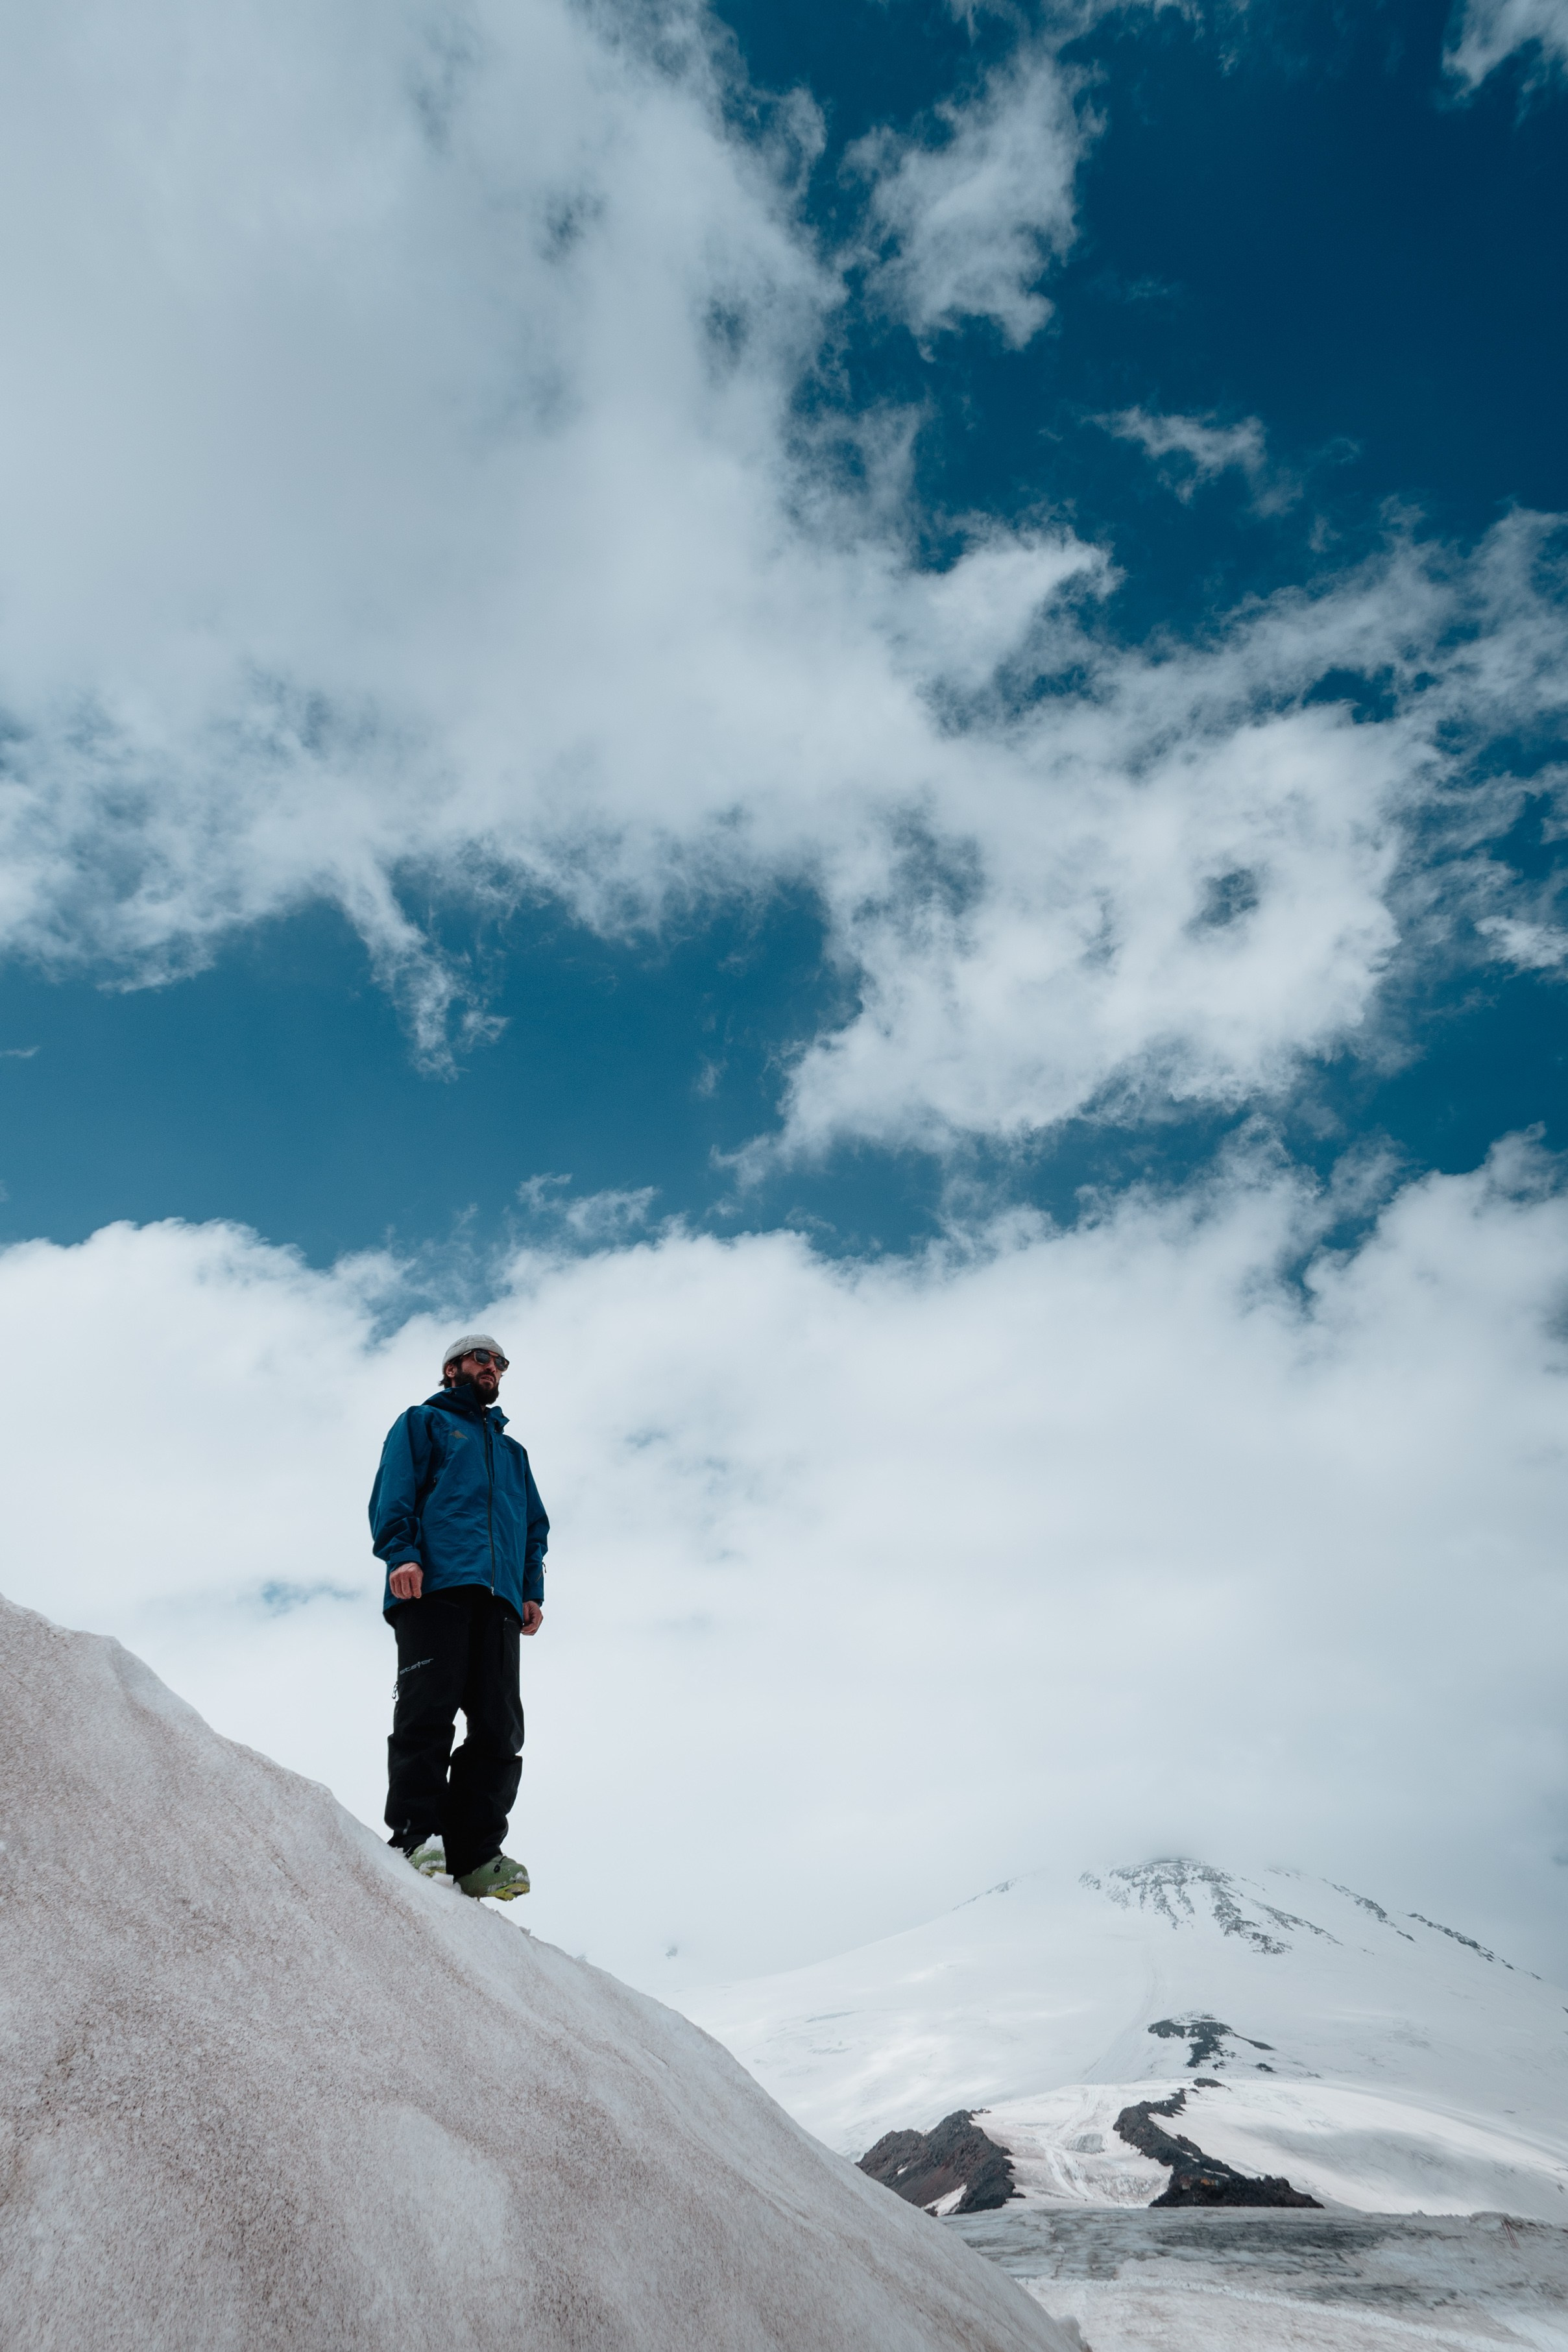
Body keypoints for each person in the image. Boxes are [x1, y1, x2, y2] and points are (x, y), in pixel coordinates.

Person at [370, 1332, 548, 1900]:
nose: (491, 1366)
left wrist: (530, 1589)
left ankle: (475, 1855)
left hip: (498, 1599)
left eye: (499, 1362)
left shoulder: (512, 1452)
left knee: (500, 1727)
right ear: (452, 1369)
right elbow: (393, 1493)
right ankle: (415, 1833)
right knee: (428, 1711)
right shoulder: (422, 1422)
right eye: (481, 1358)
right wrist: (402, 1553)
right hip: (435, 1586)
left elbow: (533, 1528)